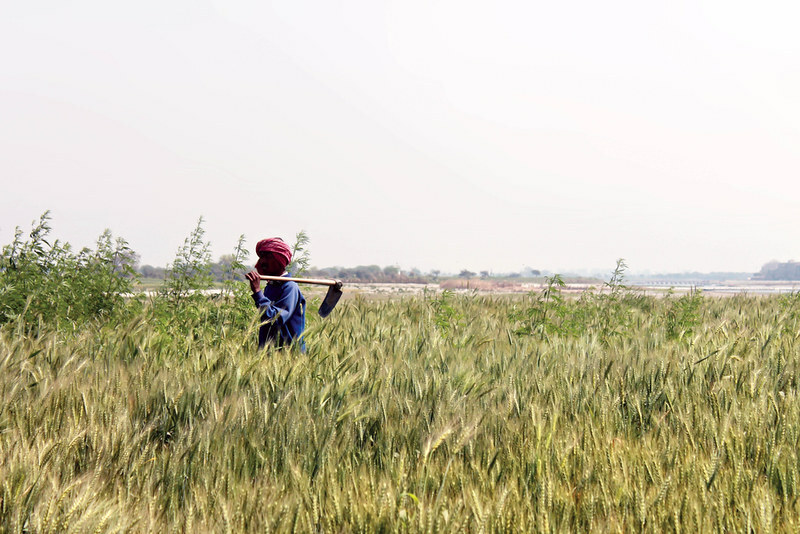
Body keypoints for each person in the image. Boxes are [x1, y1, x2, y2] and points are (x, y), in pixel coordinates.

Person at [244, 238, 306, 350]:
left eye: (268, 257)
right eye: (261, 257)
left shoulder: (289, 287)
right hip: (270, 355)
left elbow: (275, 319)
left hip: (289, 355)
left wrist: (258, 292)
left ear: (279, 261)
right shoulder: (271, 287)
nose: (262, 262)